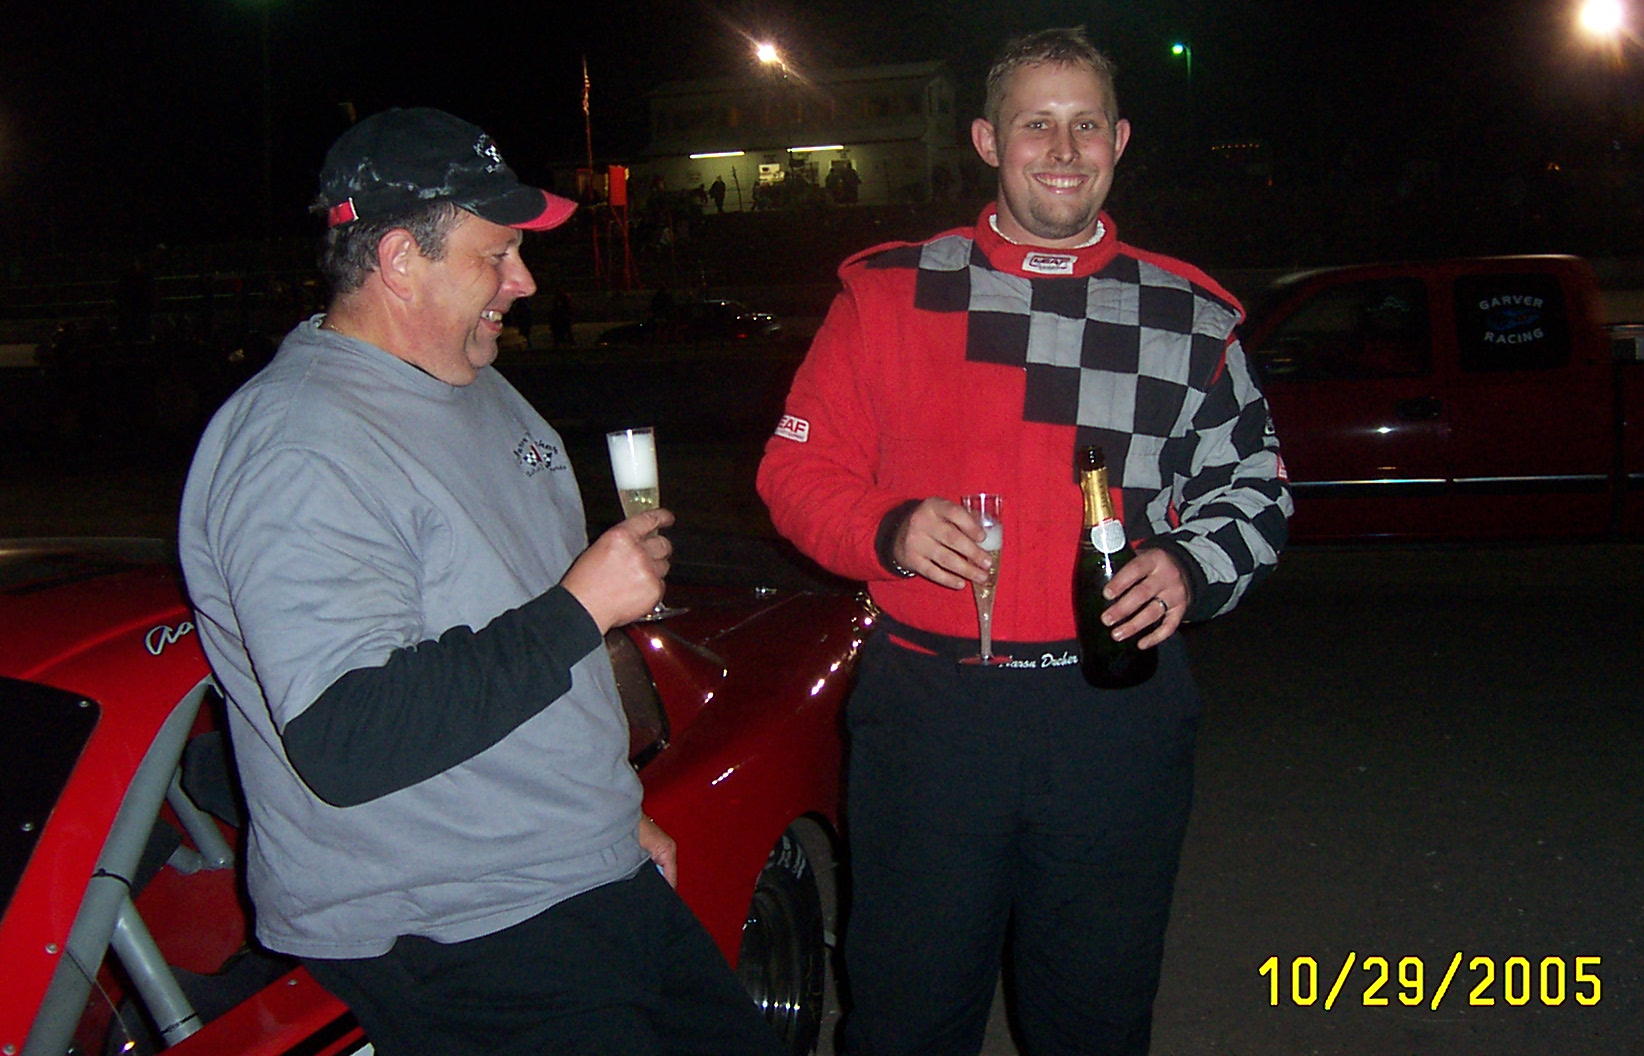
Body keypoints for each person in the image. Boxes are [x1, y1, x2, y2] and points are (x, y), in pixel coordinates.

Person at [179, 107, 781, 1056]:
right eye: (496, 254)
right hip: (450, 921)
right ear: (398, 260)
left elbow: (523, 642)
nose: (525, 280)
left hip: (571, 872)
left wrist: (608, 814)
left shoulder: (481, 386)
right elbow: (348, 737)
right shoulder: (301, 443)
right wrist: (582, 606)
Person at [757, 27, 1291, 1056]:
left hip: (1116, 719)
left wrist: (1189, 565)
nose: (1062, 148)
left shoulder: (1190, 314)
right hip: (931, 715)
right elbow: (793, 474)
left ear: (1119, 141)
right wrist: (889, 528)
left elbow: (1256, 493)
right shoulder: (889, 293)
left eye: (1086, 124)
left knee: (1096, 1019)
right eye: (1035, 124)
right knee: (907, 1020)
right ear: (987, 142)